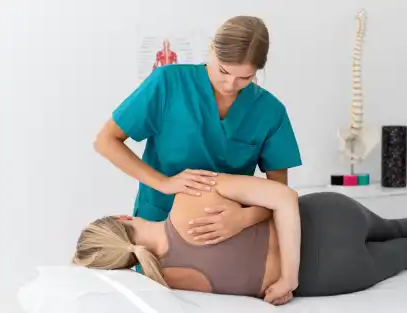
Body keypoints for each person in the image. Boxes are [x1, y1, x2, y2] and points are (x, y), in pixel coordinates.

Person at [73, 173, 407, 306]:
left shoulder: (170, 284)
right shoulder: (190, 195)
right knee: (403, 227)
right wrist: (245, 219)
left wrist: (288, 279)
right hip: (325, 218)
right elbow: (283, 197)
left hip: (327, 276)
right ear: (122, 216)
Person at [93, 15, 302, 247]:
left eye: (245, 77)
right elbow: (106, 141)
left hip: (227, 234)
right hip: (159, 222)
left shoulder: (269, 111)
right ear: (211, 49)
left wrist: (244, 218)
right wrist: (163, 182)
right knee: (152, 284)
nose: (230, 85)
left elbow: (279, 192)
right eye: (223, 71)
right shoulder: (168, 83)